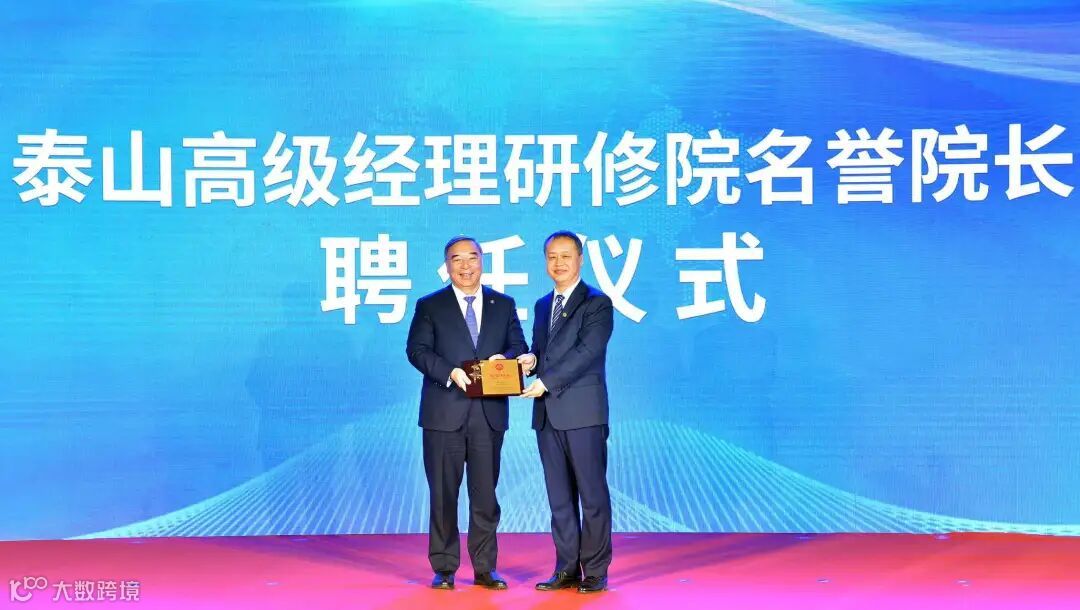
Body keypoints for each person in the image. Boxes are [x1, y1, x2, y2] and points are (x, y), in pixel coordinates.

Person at [406, 236, 528, 590]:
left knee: (485, 495)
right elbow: (417, 350)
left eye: (471, 258)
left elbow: (518, 345)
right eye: (456, 259)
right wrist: (449, 372)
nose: (465, 266)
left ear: (482, 260)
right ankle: (444, 568)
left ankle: (485, 568)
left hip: (488, 415)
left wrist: (506, 359)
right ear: (447, 265)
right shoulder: (430, 305)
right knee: (443, 495)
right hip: (443, 414)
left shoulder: (503, 304)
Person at [517, 230, 614, 594]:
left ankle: (596, 570)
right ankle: (566, 568)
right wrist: (531, 360)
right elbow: (543, 349)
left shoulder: (597, 303)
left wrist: (546, 381)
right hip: (547, 415)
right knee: (559, 498)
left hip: (583, 413)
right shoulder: (544, 305)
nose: (558, 263)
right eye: (552, 257)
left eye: (566, 256)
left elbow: (586, 353)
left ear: (580, 259)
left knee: (592, 496)